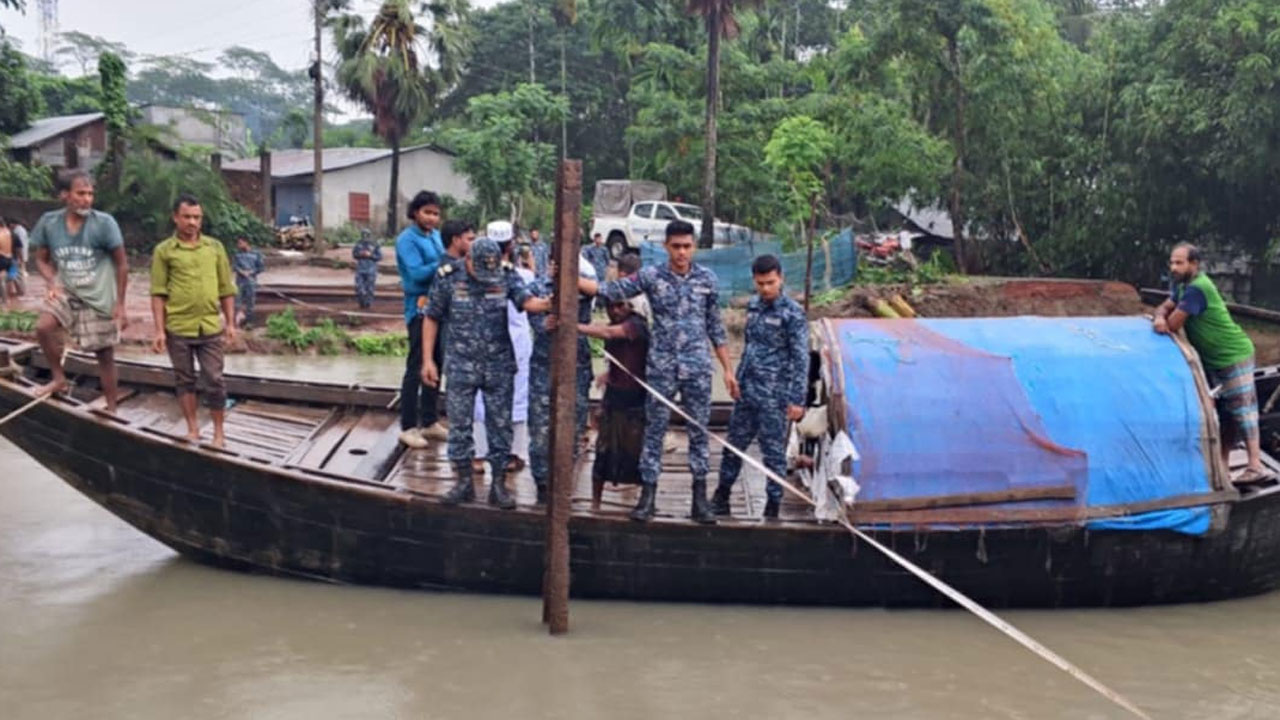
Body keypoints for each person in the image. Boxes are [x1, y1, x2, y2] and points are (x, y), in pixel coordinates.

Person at [580, 219, 737, 523]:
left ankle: (699, 499)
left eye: (687, 246)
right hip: (662, 368)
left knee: (698, 431)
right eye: (676, 246)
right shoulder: (652, 276)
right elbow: (610, 289)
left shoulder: (707, 280)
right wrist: (573, 281)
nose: (681, 252)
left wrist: (728, 371)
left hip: (697, 368)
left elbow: (716, 329)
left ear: (694, 247)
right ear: (666, 247)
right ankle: (647, 496)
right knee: (653, 430)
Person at [420, 237, 551, 508]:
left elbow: (525, 301)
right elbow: (431, 316)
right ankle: (464, 482)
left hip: (498, 365)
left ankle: (499, 486)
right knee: (459, 426)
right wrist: (428, 361)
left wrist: (549, 302)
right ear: (467, 260)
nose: (485, 278)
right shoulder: (448, 277)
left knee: (500, 427)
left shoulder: (505, 275)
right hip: (460, 364)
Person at [1154, 242, 1269, 483]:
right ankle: (1223, 465)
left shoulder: (1198, 288)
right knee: (1226, 414)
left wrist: (1164, 319)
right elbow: (1164, 307)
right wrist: (1158, 316)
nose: (1173, 267)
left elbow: (1174, 324)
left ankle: (1256, 465)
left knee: (1243, 410)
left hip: (1232, 355)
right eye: (1171, 262)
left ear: (1193, 264)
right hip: (1214, 360)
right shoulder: (1183, 287)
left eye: (1179, 262)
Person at [710, 255, 808, 519]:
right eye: (761, 283)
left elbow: (801, 358)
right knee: (734, 445)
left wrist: (798, 399)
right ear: (754, 280)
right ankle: (722, 496)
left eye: (771, 282)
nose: (766, 288)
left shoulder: (792, 313)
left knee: (773, 453)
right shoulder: (754, 306)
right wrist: (736, 379)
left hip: (774, 396)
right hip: (747, 391)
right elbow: (750, 348)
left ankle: (773, 505)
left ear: (781, 278)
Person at [31, 171, 129, 412]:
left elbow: (122, 264)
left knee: (104, 354)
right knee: (43, 327)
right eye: (81, 193)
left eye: (90, 194)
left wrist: (120, 305)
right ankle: (58, 378)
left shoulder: (104, 223)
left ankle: (112, 407)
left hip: (98, 296)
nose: (87, 199)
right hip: (66, 290)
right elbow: (41, 260)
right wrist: (51, 282)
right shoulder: (50, 222)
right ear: (65, 195)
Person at [149, 194, 238, 447]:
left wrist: (230, 323)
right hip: (178, 326)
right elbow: (158, 293)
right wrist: (159, 331)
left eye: (196, 217)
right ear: (175, 218)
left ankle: (219, 433)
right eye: (187, 217)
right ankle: (192, 428)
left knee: (215, 379)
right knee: (184, 379)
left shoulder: (214, 248)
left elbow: (226, 289)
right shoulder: (164, 251)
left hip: (210, 326)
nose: (192, 222)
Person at [472, 221, 533, 474]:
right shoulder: (525, 276)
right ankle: (514, 453)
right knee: (517, 397)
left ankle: (479, 454)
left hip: (488, 342)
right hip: (515, 343)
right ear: (511, 246)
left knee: (481, 397)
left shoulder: (474, 277)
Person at [581, 296, 650, 507]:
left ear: (629, 306)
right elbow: (615, 353)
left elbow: (608, 332)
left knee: (637, 452)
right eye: (611, 306)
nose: (616, 310)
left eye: (620, 305)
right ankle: (595, 503)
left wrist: (574, 326)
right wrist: (608, 375)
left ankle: (644, 500)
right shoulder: (614, 327)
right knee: (603, 452)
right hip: (613, 398)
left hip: (636, 401)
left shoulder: (637, 325)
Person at [395, 191, 448, 449]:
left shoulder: (436, 236)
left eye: (436, 213)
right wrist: (443, 261)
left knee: (437, 362)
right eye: (427, 212)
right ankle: (407, 426)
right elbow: (416, 275)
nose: (431, 218)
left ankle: (429, 420)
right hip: (418, 308)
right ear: (415, 212)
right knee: (416, 364)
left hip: (439, 308)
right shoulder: (407, 240)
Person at [231, 236, 264, 328]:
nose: (238, 245)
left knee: (250, 303)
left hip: (251, 282)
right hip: (240, 282)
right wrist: (241, 271)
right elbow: (234, 266)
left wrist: (251, 272)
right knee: (237, 302)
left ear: (246, 243)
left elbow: (261, 268)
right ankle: (234, 323)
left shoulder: (256, 254)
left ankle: (249, 322)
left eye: (240, 243)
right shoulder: (237, 254)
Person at [351, 229, 382, 309]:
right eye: (363, 235)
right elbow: (354, 254)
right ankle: (361, 302)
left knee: (369, 288)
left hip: (371, 269)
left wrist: (370, 255)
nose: (365, 237)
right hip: (360, 269)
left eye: (366, 235)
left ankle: (368, 304)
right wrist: (360, 254)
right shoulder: (358, 244)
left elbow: (379, 257)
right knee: (359, 287)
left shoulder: (375, 245)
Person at [0, 216, 12, 310]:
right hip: (9, 258)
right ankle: (6, 300)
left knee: (1, 281)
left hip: (2, 257)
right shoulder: (8, 232)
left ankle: (4, 302)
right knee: (3, 279)